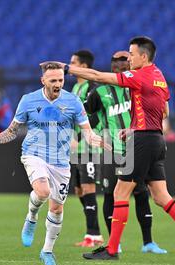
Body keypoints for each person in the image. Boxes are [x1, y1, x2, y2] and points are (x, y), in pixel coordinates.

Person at [49, 35, 175, 262]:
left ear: (143, 56)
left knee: (119, 193)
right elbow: (163, 111)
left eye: (132, 54)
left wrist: (66, 68)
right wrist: (136, 127)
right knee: (161, 196)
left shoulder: (138, 75)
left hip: (143, 142)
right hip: (156, 139)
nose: (129, 58)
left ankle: (112, 250)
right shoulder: (159, 76)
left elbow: (96, 75)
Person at [0, 62, 106, 265]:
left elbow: (87, 130)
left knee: (57, 208)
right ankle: (31, 217)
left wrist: (94, 138)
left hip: (60, 161)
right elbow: (13, 130)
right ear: (43, 81)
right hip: (34, 154)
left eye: (60, 80)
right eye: (53, 80)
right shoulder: (28, 100)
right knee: (42, 191)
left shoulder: (73, 101)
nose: (58, 84)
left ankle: (47, 251)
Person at [85, 50, 167, 254]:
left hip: (136, 148)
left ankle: (148, 242)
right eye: (115, 61)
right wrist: (94, 133)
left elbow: (160, 108)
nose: (120, 63)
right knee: (110, 196)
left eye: (124, 59)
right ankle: (116, 244)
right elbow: (86, 115)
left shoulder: (138, 85)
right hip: (111, 151)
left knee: (141, 194)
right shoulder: (100, 92)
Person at [69, 50, 104, 248]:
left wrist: (80, 136)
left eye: (73, 62)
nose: (69, 65)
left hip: (89, 146)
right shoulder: (75, 87)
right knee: (79, 190)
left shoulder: (93, 88)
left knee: (89, 187)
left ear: (83, 66)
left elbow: (96, 117)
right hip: (75, 148)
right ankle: (91, 234)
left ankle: (94, 235)